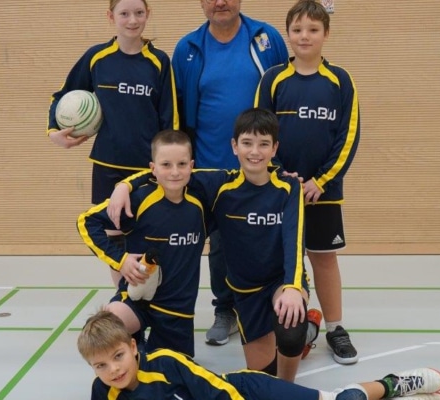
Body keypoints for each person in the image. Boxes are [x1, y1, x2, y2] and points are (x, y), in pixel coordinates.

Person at [108, 108, 323, 381]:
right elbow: (170, 172)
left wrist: (292, 287)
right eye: (247, 143)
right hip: (245, 291)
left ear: (274, 148)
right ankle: (308, 333)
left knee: (290, 331)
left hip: (282, 281)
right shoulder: (221, 185)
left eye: (263, 144)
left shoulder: (289, 188)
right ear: (234, 146)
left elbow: (295, 241)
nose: (254, 151)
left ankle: (291, 371)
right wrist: (124, 186)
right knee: (261, 376)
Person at [171, 0, 289, 346]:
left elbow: (283, 95)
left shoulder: (266, 38)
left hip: (260, 165)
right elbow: (177, 109)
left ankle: (272, 304)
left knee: (268, 239)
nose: (220, 2)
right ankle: (225, 309)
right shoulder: (188, 48)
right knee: (220, 244)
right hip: (212, 168)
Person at [254, 0, 360, 365]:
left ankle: (336, 329)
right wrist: (280, 175)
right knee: (279, 260)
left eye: (313, 29)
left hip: (322, 194)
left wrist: (321, 181)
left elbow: (348, 137)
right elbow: (259, 132)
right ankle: (275, 325)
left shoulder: (340, 80)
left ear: (325, 34)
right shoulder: (273, 79)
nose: (304, 36)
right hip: (279, 191)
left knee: (324, 259)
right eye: (297, 29)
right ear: (287, 34)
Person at [46, 0, 178, 287]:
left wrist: (169, 165)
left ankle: (151, 298)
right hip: (108, 165)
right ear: (111, 16)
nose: (132, 20)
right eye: (124, 14)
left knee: (149, 235)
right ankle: (124, 296)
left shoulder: (159, 61)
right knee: (114, 237)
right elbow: (62, 95)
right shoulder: (97, 58)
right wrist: (54, 130)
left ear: (148, 14)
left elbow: (170, 120)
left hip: (147, 169)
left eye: (139, 13)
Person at [77, 310, 440, 400]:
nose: (113, 370)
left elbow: (221, 393)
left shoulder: (165, 364)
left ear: (134, 348)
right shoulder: (103, 392)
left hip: (247, 392)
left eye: (118, 356)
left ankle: (395, 384)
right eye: (101, 365)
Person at [77, 129, 205, 358]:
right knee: (106, 330)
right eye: (166, 165)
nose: (175, 172)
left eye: (182, 164)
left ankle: (142, 352)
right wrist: (121, 260)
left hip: (177, 311)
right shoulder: (140, 199)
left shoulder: (201, 203)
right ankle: (133, 344)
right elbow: (86, 222)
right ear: (152, 168)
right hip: (136, 297)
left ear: (192, 166)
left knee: (168, 373)